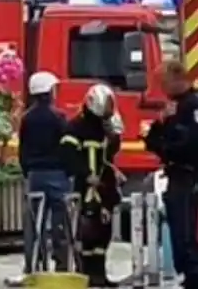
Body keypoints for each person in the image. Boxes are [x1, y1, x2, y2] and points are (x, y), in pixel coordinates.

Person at [144, 60, 198, 289]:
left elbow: (189, 144)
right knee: (178, 237)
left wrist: (162, 143)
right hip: (176, 175)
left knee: (185, 237)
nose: (162, 88)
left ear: (176, 79)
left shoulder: (195, 106)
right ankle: (191, 279)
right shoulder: (177, 107)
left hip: (188, 175)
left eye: (164, 82)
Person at [60, 84, 123, 287]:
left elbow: (108, 155)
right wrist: (86, 175)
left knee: (103, 234)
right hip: (85, 189)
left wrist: (114, 137)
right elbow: (68, 156)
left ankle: (100, 274)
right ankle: (85, 274)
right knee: (87, 234)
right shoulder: (76, 127)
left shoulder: (105, 127)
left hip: (104, 188)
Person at [18, 71, 71, 272]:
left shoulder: (27, 119)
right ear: (49, 92)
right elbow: (67, 146)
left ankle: (33, 265)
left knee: (34, 222)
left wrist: (27, 171)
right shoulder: (59, 117)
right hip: (57, 174)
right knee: (60, 220)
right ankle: (62, 264)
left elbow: (23, 149)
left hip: (35, 175)